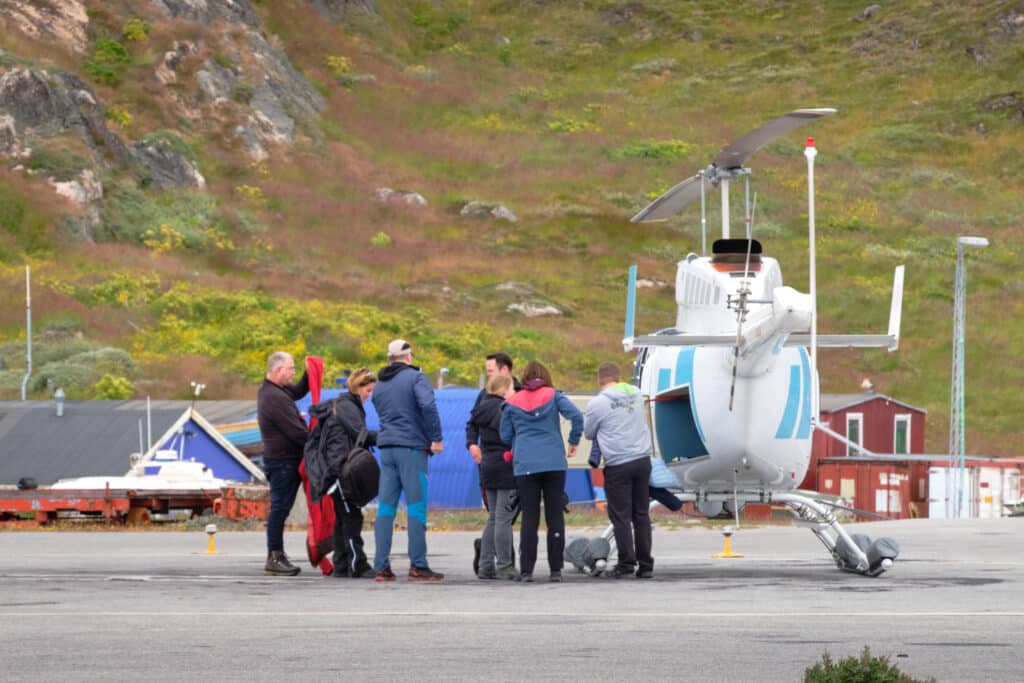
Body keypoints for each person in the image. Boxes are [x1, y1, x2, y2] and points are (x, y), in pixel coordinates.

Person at [499, 360, 583, 583]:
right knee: (555, 516)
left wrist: (518, 443)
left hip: (525, 465)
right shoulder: (554, 395)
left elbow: (504, 435)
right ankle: (555, 570)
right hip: (554, 462)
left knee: (530, 517)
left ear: (524, 378)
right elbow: (576, 416)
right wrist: (573, 440)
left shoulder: (512, 402)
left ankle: (527, 571)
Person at [371, 339, 445, 582]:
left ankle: (381, 566)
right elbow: (427, 405)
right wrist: (435, 437)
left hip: (387, 448)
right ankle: (418, 565)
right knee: (416, 507)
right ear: (409, 357)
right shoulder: (416, 377)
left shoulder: (380, 383)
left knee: (386, 508)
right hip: (411, 449)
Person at [304, 368, 378, 578]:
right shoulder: (348, 407)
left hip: (334, 470)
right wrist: (386, 437)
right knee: (352, 517)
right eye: (368, 390)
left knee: (342, 518)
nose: (369, 395)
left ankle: (341, 564)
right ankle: (358, 564)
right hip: (339, 471)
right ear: (358, 387)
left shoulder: (344, 404)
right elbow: (359, 434)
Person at [584, 362, 654, 579]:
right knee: (641, 515)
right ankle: (646, 565)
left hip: (618, 464)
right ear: (618, 377)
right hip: (642, 461)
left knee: (621, 517)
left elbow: (588, 432)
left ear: (600, 381)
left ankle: (626, 562)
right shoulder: (635, 393)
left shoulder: (597, 403)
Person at [257, 351, 311, 576]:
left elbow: (298, 390)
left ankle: (276, 554)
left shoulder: (277, 389)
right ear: (278, 370)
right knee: (280, 508)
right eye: (291, 369)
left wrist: (312, 371)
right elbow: (297, 433)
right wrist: (319, 441)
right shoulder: (274, 397)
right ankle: (274, 556)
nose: (293, 373)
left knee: (281, 507)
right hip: (282, 461)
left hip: (284, 458)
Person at [465, 374, 517, 581]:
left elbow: (471, 428)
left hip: (487, 464)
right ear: (504, 390)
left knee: (494, 517)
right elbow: (509, 436)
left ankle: (486, 565)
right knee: (504, 518)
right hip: (505, 464)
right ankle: (504, 565)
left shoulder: (481, 409)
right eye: (512, 388)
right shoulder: (505, 409)